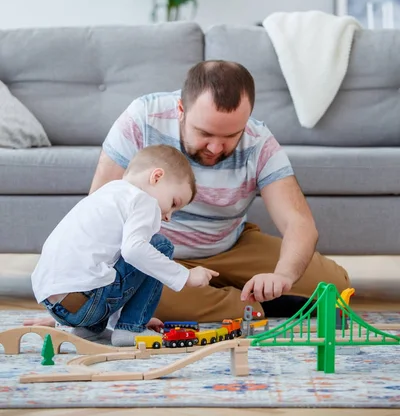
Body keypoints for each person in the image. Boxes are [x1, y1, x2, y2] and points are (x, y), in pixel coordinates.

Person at [26, 60, 349, 329]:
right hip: (152, 253)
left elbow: (299, 223)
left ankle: (238, 294)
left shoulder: (259, 141)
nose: (215, 147)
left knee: (334, 288)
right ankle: (254, 303)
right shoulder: (142, 118)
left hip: (229, 244)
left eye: (230, 135)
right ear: (180, 109)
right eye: (205, 133)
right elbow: (97, 210)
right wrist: (76, 303)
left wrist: (281, 275)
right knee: (149, 292)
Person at [31, 145, 218, 346]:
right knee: (159, 245)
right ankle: (130, 329)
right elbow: (134, 251)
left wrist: (133, 312)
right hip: (86, 303)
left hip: (56, 306)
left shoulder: (107, 194)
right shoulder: (143, 200)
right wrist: (186, 276)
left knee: (123, 257)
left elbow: (112, 270)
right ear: (156, 177)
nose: (168, 217)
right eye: (174, 203)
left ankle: (89, 330)